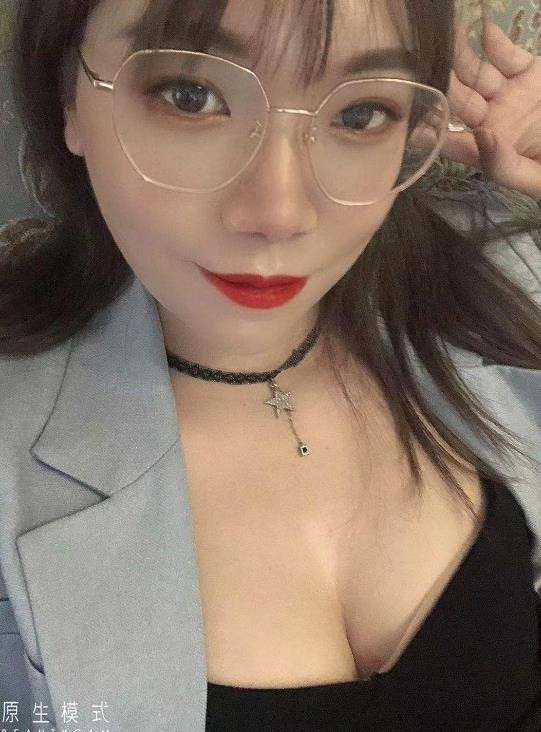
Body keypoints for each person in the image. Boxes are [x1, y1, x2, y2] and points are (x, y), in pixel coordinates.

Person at [0, 1, 540, 730]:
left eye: (360, 114)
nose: (279, 212)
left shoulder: (498, 278)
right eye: (191, 95)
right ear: (68, 94)